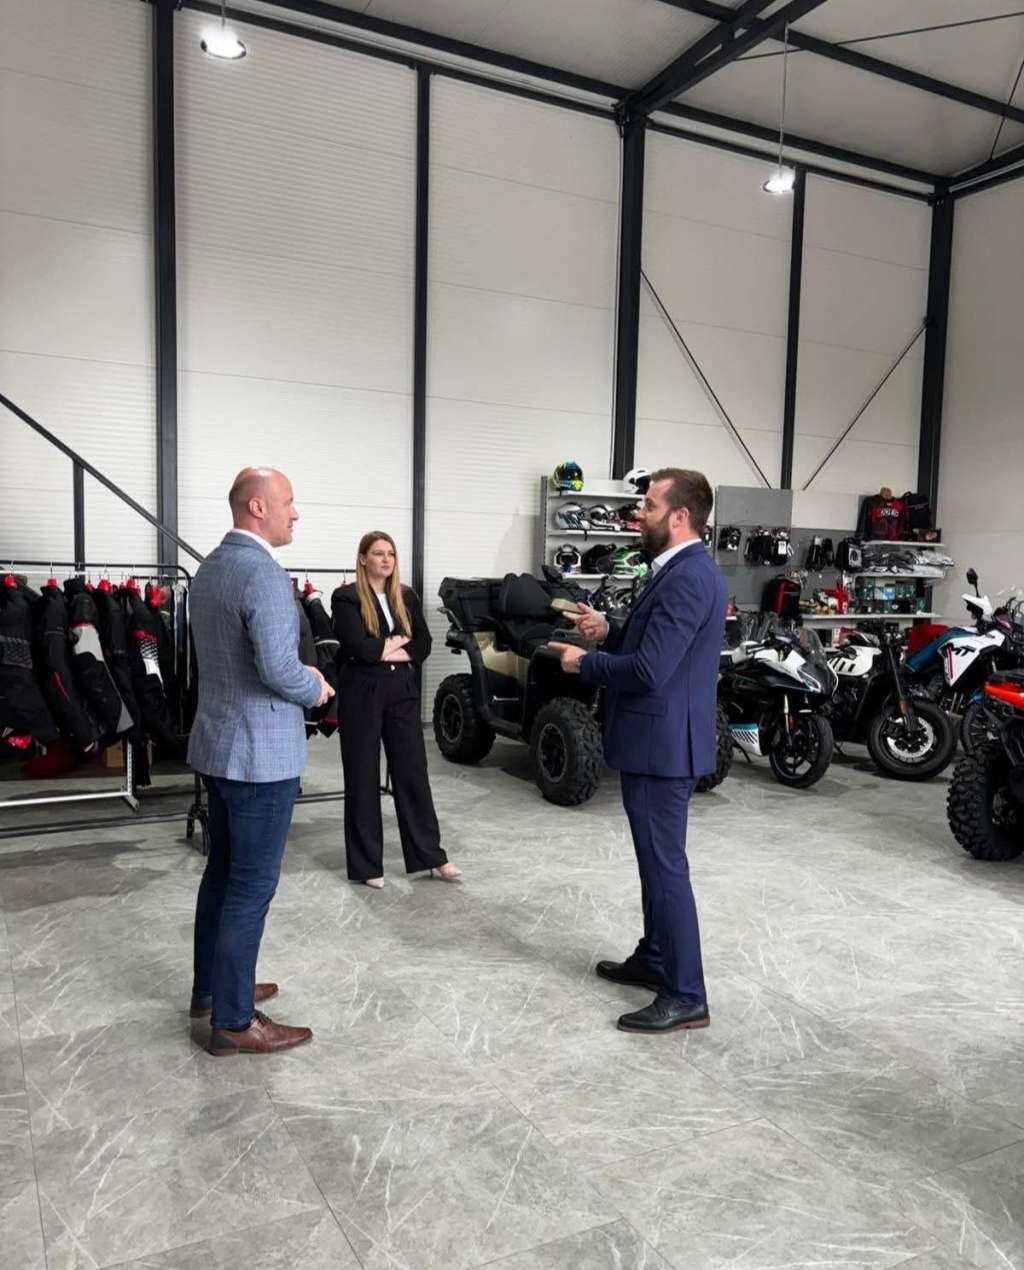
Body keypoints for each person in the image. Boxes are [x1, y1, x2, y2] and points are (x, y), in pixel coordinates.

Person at [549, 468, 726, 1034]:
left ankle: (686, 993)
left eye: (649, 506)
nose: (638, 515)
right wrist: (609, 631)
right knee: (655, 863)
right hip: (656, 742)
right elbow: (655, 643)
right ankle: (655, 957)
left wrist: (585, 663)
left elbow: (651, 671)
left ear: (679, 516)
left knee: (666, 868)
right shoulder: (675, 570)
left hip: (663, 747)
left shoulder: (688, 577)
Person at [188, 466, 334, 1057]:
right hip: (260, 757)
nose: (295, 513)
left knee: (222, 874)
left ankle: (214, 989)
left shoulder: (211, 568)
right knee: (251, 886)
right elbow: (277, 669)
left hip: (219, 746)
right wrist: (315, 686)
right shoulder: (264, 575)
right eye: (288, 502)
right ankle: (234, 1020)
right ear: (257, 507)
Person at [331, 532, 458, 887]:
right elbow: (357, 646)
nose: (386, 559)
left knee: (413, 771)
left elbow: (424, 644)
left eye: (390, 553)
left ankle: (429, 856)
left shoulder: (406, 596)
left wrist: (385, 648)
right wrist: (395, 645)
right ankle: (367, 866)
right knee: (362, 776)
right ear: (363, 558)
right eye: (377, 553)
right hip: (361, 693)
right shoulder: (345, 597)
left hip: (401, 690)